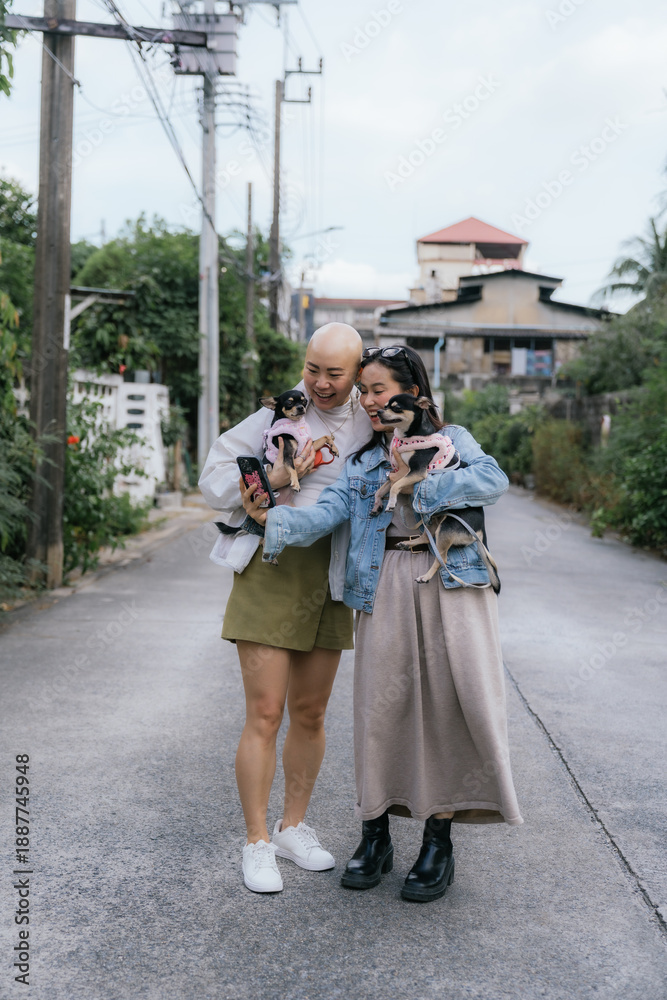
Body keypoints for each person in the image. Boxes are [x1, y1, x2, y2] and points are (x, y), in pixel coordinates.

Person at [242, 345, 523, 903]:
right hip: (384, 583)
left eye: (379, 391)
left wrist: (418, 482)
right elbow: (327, 514)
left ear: (411, 394)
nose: (368, 401)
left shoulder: (453, 439)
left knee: (448, 708)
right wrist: (272, 520)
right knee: (379, 710)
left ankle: (437, 842)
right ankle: (375, 836)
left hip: (451, 581)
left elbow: (492, 480)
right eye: (363, 391)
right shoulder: (362, 462)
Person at [198, 323, 372, 894]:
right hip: (271, 566)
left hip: (331, 574)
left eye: (334, 374)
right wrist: (269, 480)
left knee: (312, 713)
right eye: (312, 369)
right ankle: (256, 842)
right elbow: (214, 478)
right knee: (266, 712)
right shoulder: (277, 414)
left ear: (357, 372)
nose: (319, 383)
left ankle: (292, 827)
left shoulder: (369, 417)